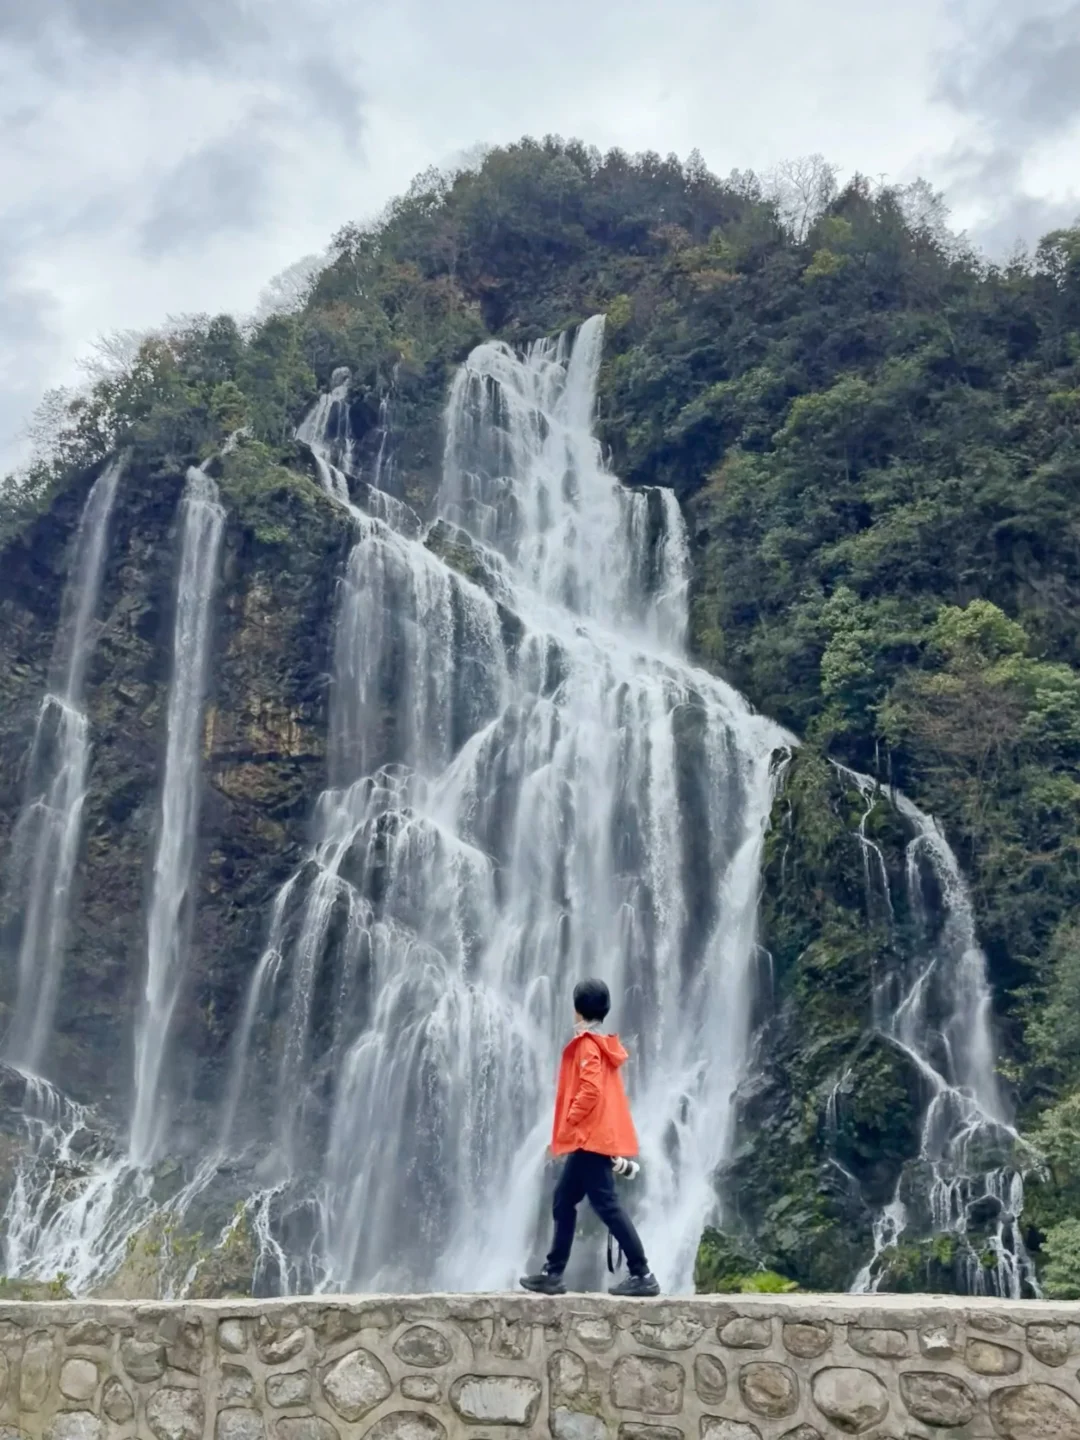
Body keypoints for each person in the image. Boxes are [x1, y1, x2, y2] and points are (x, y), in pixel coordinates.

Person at [520, 978, 660, 1297]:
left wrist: (568, 1124)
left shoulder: (586, 1045)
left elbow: (590, 1089)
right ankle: (553, 1273)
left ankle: (643, 1273)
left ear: (577, 1010)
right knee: (564, 1200)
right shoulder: (601, 1045)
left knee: (606, 1206)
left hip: (589, 1140)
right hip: (593, 1140)